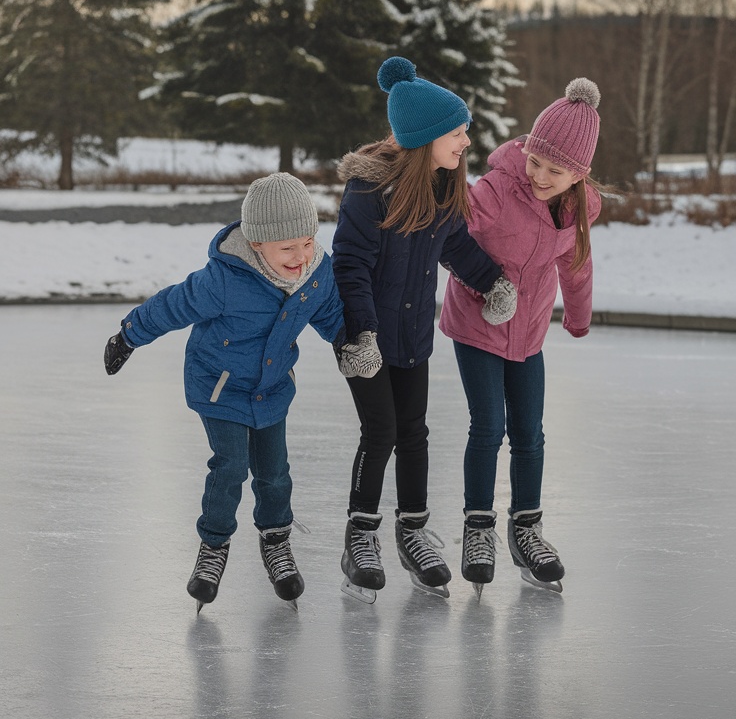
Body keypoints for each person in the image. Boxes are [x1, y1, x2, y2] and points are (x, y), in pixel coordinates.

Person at [103, 172, 352, 612]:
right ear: (258, 245)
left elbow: (331, 314)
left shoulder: (316, 273)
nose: (301, 256)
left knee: (275, 471)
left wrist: (352, 343)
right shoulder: (222, 280)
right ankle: (213, 546)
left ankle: (275, 540)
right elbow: (171, 306)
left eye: (307, 242)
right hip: (219, 388)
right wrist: (128, 336)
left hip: (272, 389)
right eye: (287, 248)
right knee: (231, 468)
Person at [331, 56, 517, 603]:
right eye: (456, 133)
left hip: (412, 339)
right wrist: (360, 333)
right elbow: (350, 267)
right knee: (382, 431)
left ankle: (412, 532)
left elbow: (456, 248)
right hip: (365, 339)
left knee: (414, 433)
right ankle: (359, 537)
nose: (465, 142)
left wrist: (493, 284)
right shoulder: (369, 194)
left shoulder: (440, 191)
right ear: (426, 137)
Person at [439, 77, 603, 596]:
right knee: (488, 426)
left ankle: (526, 530)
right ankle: (479, 528)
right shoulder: (495, 189)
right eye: (535, 161)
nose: (540, 176)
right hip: (477, 325)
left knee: (529, 434)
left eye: (555, 170)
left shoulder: (576, 211)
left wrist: (578, 317)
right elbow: (450, 229)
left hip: (528, 335)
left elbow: (576, 268)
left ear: (579, 174)